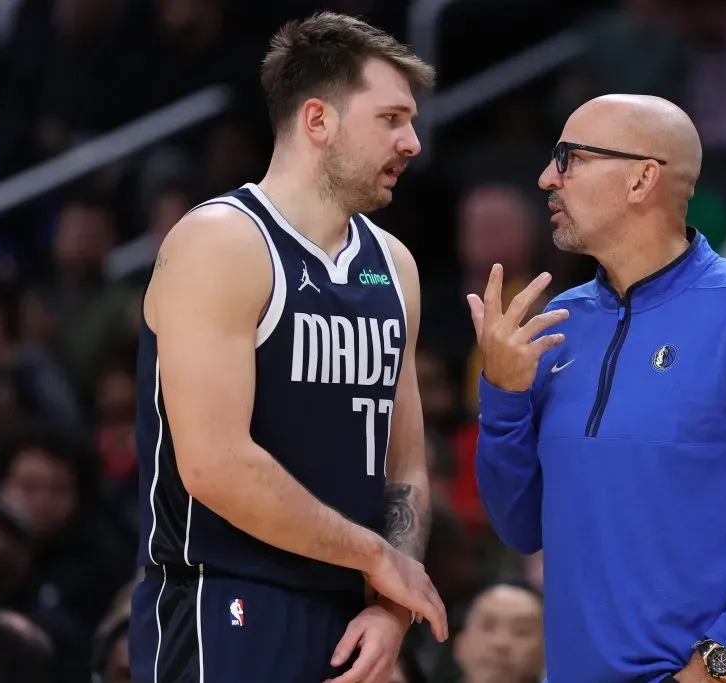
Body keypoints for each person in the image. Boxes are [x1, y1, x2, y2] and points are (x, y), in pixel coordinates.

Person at [468, 94, 726, 683]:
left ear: (642, 178)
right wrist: (502, 395)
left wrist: (716, 665)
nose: (547, 177)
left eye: (569, 158)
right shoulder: (559, 325)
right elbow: (521, 527)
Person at [128, 12, 448, 683]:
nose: (412, 141)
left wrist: (391, 603)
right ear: (318, 120)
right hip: (229, 599)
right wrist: (376, 558)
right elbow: (215, 464)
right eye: (390, 118)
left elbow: (406, 464)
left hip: (355, 616)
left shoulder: (395, 265)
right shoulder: (221, 241)